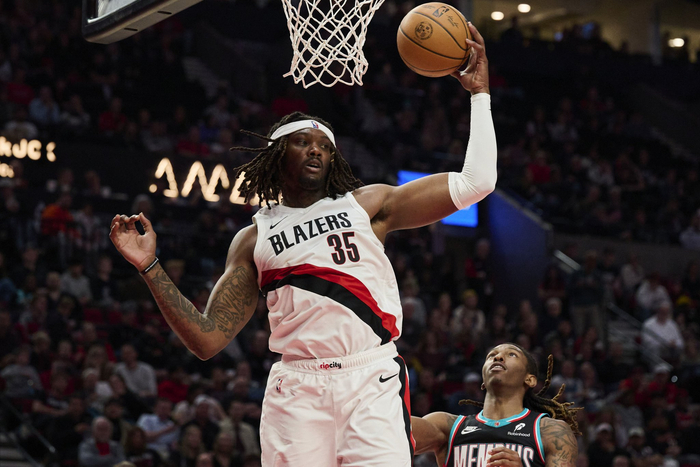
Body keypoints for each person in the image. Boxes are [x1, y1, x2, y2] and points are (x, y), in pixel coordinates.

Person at [109, 23, 495, 467]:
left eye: (324, 146)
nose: (315, 151)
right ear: (278, 155)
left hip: (370, 375)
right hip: (297, 390)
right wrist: (150, 266)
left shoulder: (367, 205)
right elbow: (207, 339)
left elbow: (477, 182)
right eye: (302, 142)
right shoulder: (254, 237)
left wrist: (479, 94)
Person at [411, 343, 579, 467]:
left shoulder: (550, 431)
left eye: (512, 354)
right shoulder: (448, 427)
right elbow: (398, 430)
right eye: (491, 355)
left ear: (530, 379)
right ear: (483, 380)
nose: (498, 357)